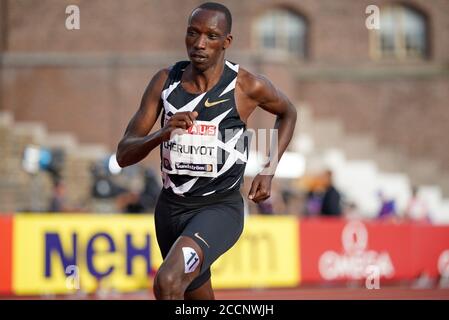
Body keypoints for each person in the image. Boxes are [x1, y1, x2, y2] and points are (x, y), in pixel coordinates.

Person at [116, 2, 297, 300]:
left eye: (211, 36)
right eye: (192, 33)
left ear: (226, 42)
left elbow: (288, 112)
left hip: (218, 209)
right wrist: (162, 133)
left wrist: (268, 169)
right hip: (169, 210)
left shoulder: (245, 86)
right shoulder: (165, 82)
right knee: (194, 297)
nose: (199, 44)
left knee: (168, 282)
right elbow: (124, 155)